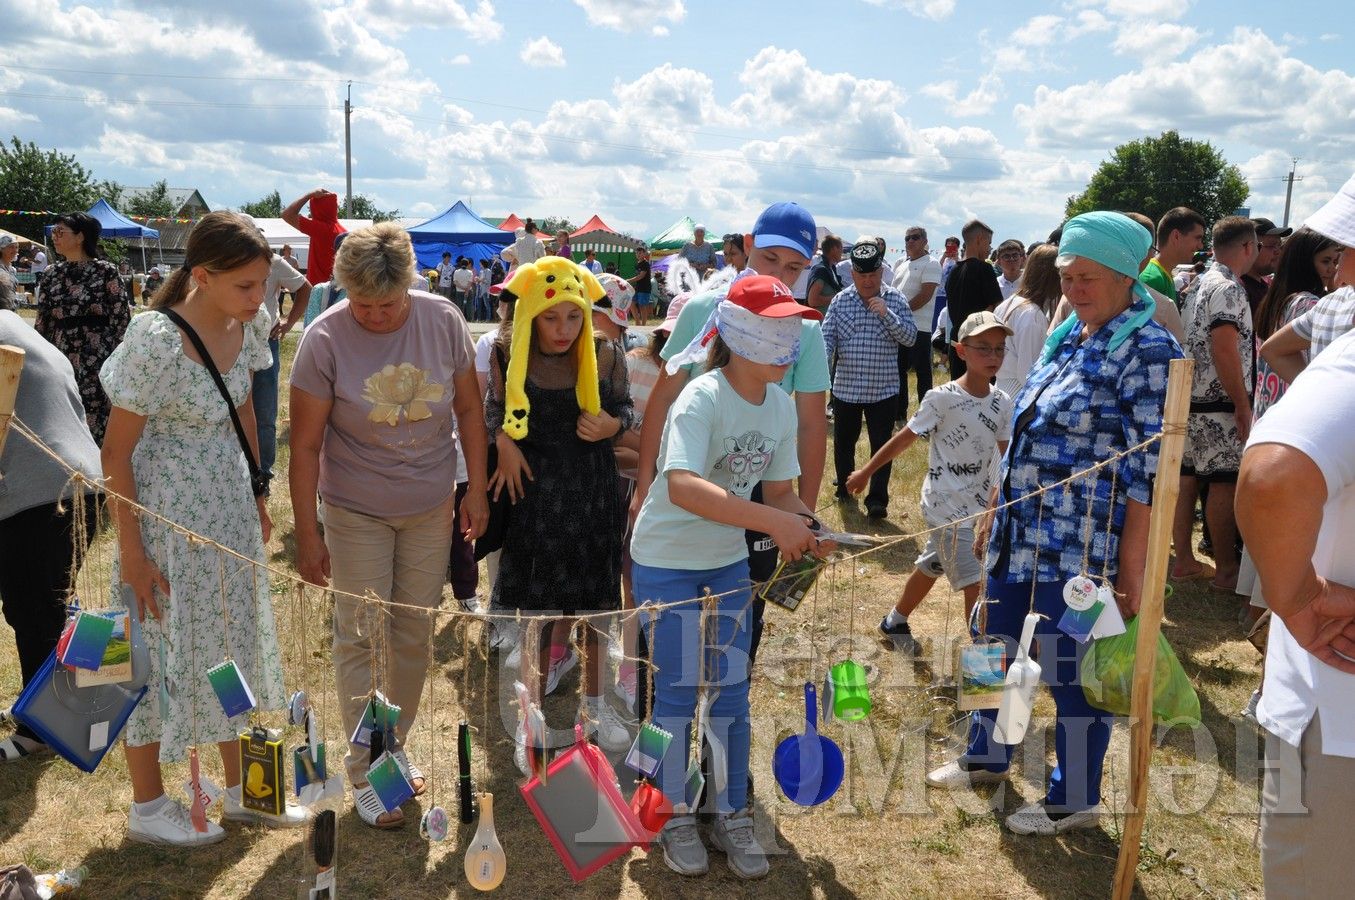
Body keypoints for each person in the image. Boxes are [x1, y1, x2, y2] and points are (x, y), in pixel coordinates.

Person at [926, 211, 1182, 835]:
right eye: (1067, 276)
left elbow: (1150, 479)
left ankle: (1074, 798)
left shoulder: (1152, 351)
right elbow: (1023, 438)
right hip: (1017, 533)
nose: (1074, 289)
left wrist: (1131, 572)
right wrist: (994, 512)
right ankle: (987, 752)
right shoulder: (1069, 332)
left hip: (1084, 549)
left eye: (1088, 277)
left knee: (1069, 668)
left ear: (1126, 276)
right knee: (994, 643)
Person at [100, 212, 298, 846]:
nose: (257, 298)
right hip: (164, 519)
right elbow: (115, 454)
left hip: (227, 515)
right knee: (152, 655)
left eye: (263, 284)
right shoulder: (157, 338)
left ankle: (246, 791)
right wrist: (132, 550)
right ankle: (149, 805)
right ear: (203, 277)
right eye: (244, 286)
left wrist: (257, 491)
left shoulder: (250, 324)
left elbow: (241, 404)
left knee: (228, 645)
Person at [288, 224, 486, 828]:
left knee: (412, 632)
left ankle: (389, 746)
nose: (374, 316)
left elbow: (470, 409)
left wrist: (474, 488)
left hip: (429, 504)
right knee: (363, 634)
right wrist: (307, 531)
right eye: (361, 304)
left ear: (411, 286)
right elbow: (303, 446)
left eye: (388, 304)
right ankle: (366, 768)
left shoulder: (444, 319)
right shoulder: (323, 339)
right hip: (355, 507)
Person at [632, 274, 829, 879]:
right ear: (746, 337)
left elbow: (779, 492)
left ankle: (730, 811)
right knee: (675, 695)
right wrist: (772, 517)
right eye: (781, 326)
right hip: (666, 561)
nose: (793, 337)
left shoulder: (777, 404)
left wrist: (810, 524)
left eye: (795, 326)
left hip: (727, 563)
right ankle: (671, 815)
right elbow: (683, 486)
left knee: (731, 692)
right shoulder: (701, 397)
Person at [638, 202, 829, 668]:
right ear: (747, 246)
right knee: (670, 657)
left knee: (740, 626)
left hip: (761, 484)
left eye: (796, 267)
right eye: (770, 261)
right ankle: (663, 718)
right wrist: (645, 484)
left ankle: (722, 716)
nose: (783, 275)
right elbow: (663, 398)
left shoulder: (804, 326)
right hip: (690, 485)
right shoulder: (705, 309)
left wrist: (805, 520)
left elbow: (810, 421)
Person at [484, 257, 635, 771]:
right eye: (551, 318)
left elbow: (627, 408)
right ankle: (531, 717)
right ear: (529, 314)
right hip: (535, 494)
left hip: (591, 494)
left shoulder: (606, 352)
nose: (564, 330)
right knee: (536, 614)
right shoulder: (507, 353)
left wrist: (612, 424)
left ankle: (594, 707)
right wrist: (503, 440)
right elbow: (492, 410)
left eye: (574, 317)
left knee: (593, 608)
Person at [848, 311, 1013, 650]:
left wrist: (1000, 503)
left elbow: (1005, 457)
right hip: (945, 507)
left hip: (977, 507)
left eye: (999, 349)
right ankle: (983, 681)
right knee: (977, 588)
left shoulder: (1002, 402)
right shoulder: (941, 398)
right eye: (983, 347)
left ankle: (894, 621)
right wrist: (866, 472)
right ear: (960, 350)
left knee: (932, 563)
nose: (993, 356)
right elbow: (905, 438)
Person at [0, 308, 103, 762]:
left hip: (41, 491)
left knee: (35, 606)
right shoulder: (16, 325)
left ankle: (40, 729)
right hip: (80, 479)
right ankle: (46, 703)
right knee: (41, 604)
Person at [1179, 216, 1259, 593]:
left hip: (1193, 400)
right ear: (1247, 247)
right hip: (1219, 403)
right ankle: (1227, 569)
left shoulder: (1198, 283)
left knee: (1194, 481)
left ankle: (1190, 561)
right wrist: (1242, 406)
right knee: (1223, 484)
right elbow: (1224, 346)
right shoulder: (1227, 286)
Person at [820, 239, 917, 518]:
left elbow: (910, 339)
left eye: (873, 275)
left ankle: (877, 500)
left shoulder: (895, 299)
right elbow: (827, 341)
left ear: (881, 273)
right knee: (843, 444)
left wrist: (888, 316)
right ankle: (845, 489)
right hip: (847, 388)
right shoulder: (840, 301)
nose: (867, 281)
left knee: (881, 446)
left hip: (882, 389)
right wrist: (821, 371)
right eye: (862, 275)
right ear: (853, 274)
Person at [36, 211, 130, 445]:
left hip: (98, 355)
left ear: (80, 237)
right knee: (62, 409)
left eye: (60, 232)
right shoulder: (51, 274)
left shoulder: (106, 271)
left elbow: (121, 318)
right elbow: (43, 321)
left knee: (97, 416)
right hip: (61, 353)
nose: (54, 237)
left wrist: (121, 360)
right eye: (53, 232)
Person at [1252, 227, 1341, 420]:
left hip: (1266, 411)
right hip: (1292, 413)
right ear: (1304, 263)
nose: (1332, 269)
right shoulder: (1309, 305)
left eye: (1335, 262)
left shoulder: (1275, 300)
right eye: (1326, 261)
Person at [253, 244, 312, 492]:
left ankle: (263, 474)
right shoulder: (226, 259)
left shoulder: (274, 262)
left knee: (264, 413)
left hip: (265, 342)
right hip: (228, 342)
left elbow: (304, 288)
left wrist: (288, 324)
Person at [993, 244, 1060, 399]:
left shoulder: (1009, 303)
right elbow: (1029, 373)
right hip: (1018, 396)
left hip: (1001, 391)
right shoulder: (1032, 315)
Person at [893, 226, 943, 419]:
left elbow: (926, 294)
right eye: (907, 238)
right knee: (898, 372)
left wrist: (899, 312)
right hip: (899, 326)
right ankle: (899, 413)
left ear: (925, 241)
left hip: (919, 328)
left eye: (915, 237)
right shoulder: (902, 264)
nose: (910, 241)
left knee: (923, 373)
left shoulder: (931, 263)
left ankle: (926, 416)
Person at [942, 219, 1002, 377]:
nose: (990, 248)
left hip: (956, 341)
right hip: (978, 342)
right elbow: (995, 306)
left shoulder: (953, 271)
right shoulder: (985, 269)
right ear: (979, 240)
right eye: (988, 243)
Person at [1141, 207, 1206, 305]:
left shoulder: (1163, 275)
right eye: (1197, 238)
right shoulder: (1152, 279)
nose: (1201, 246)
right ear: (1176, 236)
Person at [282, 189, 346, 285]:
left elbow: (287, 214)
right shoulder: (342, 231)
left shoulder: (321, 229)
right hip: (337, 286)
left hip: (320, 289)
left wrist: (309, 195)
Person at [1242, 218, 1292, 314]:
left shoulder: (1266, 287)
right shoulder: (1238, 289)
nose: (1278, 251)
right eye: (1271, 246)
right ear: (1250, 247)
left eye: (1279, 245)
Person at [804, 234, 843, 312]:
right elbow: (812, 301)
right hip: (820, 322)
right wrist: (838, 297)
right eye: (841, 248)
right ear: (834, 249)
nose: (842, 252)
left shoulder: (831, 268)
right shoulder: (821, 270)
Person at [628, 245, 653, 327]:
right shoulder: (637, 264)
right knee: (631, 303)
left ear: (644, 254)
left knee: (642, 306)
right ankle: (637, 322)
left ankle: (643, 325)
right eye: (637, 253)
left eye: (640, 253)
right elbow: (638, 277)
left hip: (645, 288)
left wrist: (629, 280)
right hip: (637, 288)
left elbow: (641, 276)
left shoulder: (645, 264)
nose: (638, 255)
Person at [0, 235, 18, 312]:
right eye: (11, 247)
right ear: (1, 249)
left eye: (16, 247)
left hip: (11, 312)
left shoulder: (12, 270)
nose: (15, 250)